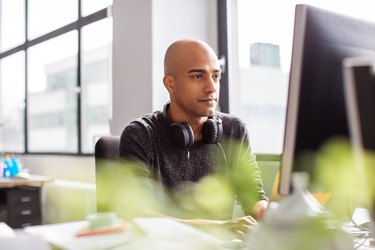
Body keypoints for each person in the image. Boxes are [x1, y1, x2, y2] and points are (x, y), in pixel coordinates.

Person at [119, 38, 268, 236]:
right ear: (170, 84)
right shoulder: (141, 134)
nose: (211, 87)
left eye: (216, 76)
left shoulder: (234, 130)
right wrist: (218, 227)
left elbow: (254, 195)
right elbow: (136, 215)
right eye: (198, 76)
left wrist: (268, 213)